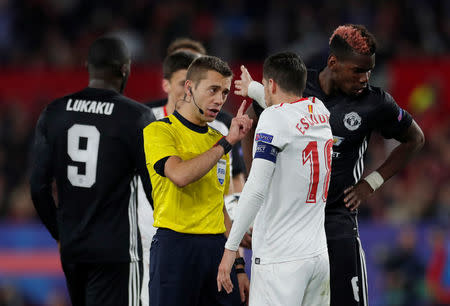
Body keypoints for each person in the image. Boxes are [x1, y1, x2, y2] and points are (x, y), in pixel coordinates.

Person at [235, 24, 425, 305]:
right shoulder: (297, 86)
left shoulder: (375, 102)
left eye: (369, 70)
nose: (365, 78)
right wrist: (256, 181)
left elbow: (415, 139)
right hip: (290, 222)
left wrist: (371, 184)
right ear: (333, 62)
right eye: (358, 70)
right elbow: (250, 124)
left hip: (338, 220)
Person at [29, 36, 155, 306]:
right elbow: (153, 188)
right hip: (117, 252)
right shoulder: (136, 116)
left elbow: (38, 188)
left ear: (87, 65)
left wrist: (60, 233)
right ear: (125, 69)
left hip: (74, 249)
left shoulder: (54, 112)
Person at [217, 52, 332, 305]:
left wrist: (230, 250)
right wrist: (253, 88)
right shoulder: (320, 111)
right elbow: (286, 112)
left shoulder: (272, 118)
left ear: (272, 84)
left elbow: (256, 190)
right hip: (318, 258)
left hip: (280, 260)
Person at [143, 55, 252, 306]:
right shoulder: (160, 130)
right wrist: (226, 143)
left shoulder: (218, 138)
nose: (219, 100)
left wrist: (238, 265)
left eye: (224, 92)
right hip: (175, 247)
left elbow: (221, 206)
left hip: (216, 250)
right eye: (213, 89)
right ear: (190, 88)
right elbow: (180, 175)